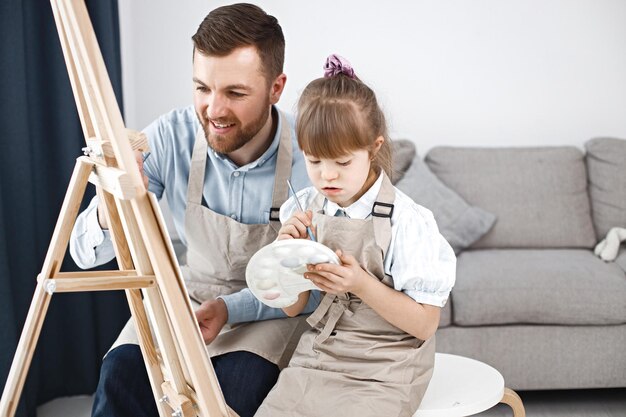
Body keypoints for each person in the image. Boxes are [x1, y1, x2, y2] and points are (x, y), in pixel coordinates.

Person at [70, 4, 319, 417]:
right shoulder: (170, 136)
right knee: (121, 374)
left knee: (236, 389)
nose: (214, 110)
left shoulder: (310, 158)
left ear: (276, 88)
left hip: (272, 309)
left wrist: (230, 308)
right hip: (190, 295)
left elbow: (316, 289)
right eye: (202, 88)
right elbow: (82, 255)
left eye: (235, 93)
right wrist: (111, 206)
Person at [247, 54, 456, 416]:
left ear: (374, 148)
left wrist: (360, 283)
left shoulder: (408, 222)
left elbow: (424, 325)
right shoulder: (306, 207)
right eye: (314, 161)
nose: (327, 177)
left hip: (388, 368)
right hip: (321, 355)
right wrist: (287, 258)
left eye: (342, 162)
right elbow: (293, 307)